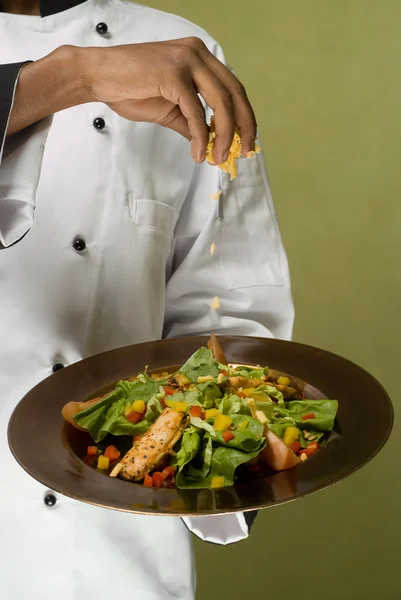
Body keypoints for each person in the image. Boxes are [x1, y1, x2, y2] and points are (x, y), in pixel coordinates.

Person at [0, 0, 294, 598]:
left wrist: (230, 446)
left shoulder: (179, 51)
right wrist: (74, 77)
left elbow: (227, 310)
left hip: (119, 553)